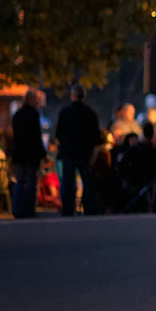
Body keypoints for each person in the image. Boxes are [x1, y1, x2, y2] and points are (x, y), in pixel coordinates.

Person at [55, 84, 101, 216]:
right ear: (84, 96)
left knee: (68, 183)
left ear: (73, 96)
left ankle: (68, 209)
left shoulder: (64, 112)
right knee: (87, 182)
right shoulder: (90, 113)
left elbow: (58, 133)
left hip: (68, 153)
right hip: (85, 153)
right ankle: (89, 209)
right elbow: (96, 135)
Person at [10, 89, 47, 218]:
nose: (38, 103)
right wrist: (42, 153)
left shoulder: (17, 115)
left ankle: (16, 208)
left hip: (18, 154)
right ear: (31, 100)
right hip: (31, 154)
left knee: (19, 181)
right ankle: (29, 209)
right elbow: (36, 136)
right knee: (31, 181)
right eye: (36, 100)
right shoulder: (33, 115)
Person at [118, 121, 156, 212]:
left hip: (137, 182)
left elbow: (122, 165)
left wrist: (128, 178)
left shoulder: (135, 149)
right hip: (144, 182)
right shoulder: (154, 151)